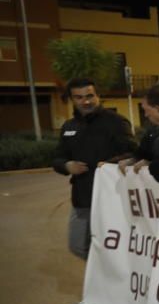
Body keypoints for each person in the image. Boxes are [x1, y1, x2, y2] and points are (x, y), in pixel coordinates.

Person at [53, 78, 136, 261]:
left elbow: (132, 153)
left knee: (114, 249)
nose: (86, 101)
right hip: (82, 198)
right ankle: (101, 277)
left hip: (112, 199)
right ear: (72, 99)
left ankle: (109, 284)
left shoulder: (115, 122)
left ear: (98, 96)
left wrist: (109, 164)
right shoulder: (69, 127)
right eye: (79, 97)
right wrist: (67, 166)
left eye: (90, 96)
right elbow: (58, 158)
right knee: (77, 246)